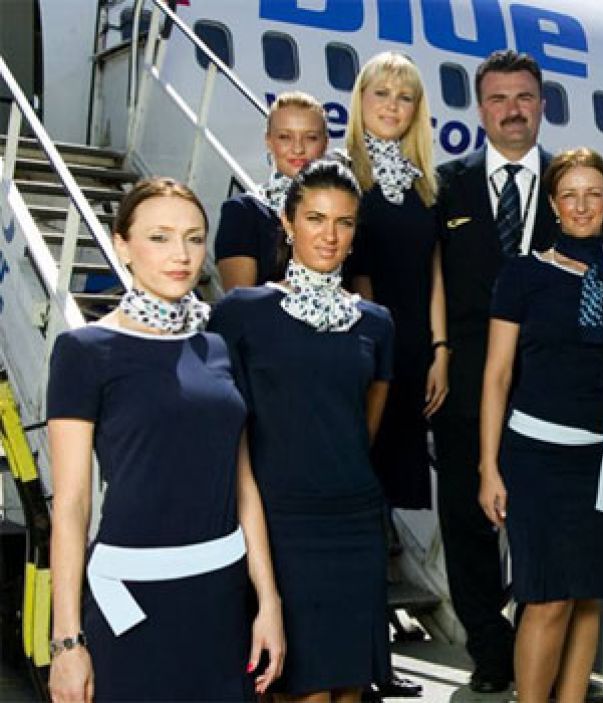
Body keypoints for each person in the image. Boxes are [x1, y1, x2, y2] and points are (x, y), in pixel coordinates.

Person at [46, 177, 284, 701]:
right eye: (159, 237)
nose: (181, 254)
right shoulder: (85, 351)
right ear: (122, 245)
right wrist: (67, 642)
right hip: (131, 605)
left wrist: (268, 602)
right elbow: (72, 504)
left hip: (221, 600)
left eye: (194, 238)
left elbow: (244, 485)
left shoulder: (217, 347)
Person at [432, 49, 603, 693]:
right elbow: (433, 278)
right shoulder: (447, 186)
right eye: (498, 98)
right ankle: (491, 648)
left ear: (542, 105)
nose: (512, 110)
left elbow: (601, 297)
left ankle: (547, 661)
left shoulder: (575, 186)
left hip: (554, 394)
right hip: (468, 384)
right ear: (480, 108)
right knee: (469, 520)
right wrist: (438, 351)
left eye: (524, 97)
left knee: (561, 558)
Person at [209, 160, 395, 701]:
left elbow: (363, 426)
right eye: (315, 218)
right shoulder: (242, 313)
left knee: (350, 687)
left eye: (344, 222)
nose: (329, 235)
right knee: (300, 689)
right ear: (288, 224)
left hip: (355, 522)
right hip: (279, 523)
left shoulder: (376, 322)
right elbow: (229, 429)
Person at [478, 147, 603, 703]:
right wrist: (488, 467)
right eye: (570, 194)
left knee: (586, 597)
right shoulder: (524, 275)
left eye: (594, 194)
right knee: (546, 599)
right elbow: (497, 375)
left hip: (601, 464)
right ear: (552, 204)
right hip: (536, 459)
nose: (582, 205)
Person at [343, 51, 446, 511]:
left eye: (405, 97)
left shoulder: (426, 187)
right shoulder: (341, 173)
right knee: (356, 469)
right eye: (381, 93)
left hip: (413, 352)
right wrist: (370, 344)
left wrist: (440, 351)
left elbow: (434, 274)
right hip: (360, 347)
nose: (392, 105)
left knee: (393, 481)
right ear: (361, 99)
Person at [215, 91, 328, 288]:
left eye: (310, 138)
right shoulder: (243, 211)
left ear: (325, 143)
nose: (298, 149)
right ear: (269, 141)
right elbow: (240, 301)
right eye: (285, 137)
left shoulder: (345, 213)